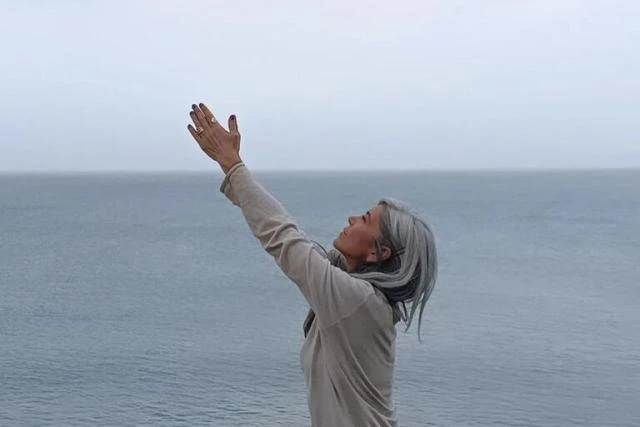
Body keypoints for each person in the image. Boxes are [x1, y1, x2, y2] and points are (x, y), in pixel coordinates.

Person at [187, 103, 438, 427]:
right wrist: (232, 172)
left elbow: (285, 239)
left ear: (379, 253)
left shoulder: (358, 301)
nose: (352, 219)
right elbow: (297, 242)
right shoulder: (356, 296)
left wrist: (233, 165)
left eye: (364, 219)